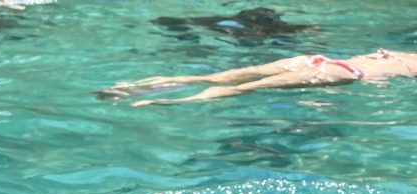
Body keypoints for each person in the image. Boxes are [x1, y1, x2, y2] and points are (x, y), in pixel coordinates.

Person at [100, 49, 417, 106]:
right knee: (246, 90)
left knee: (212, 76)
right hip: (347, 74)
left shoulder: (404, 53)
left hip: (318, 58)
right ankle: (171, 101)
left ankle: (160, 83)